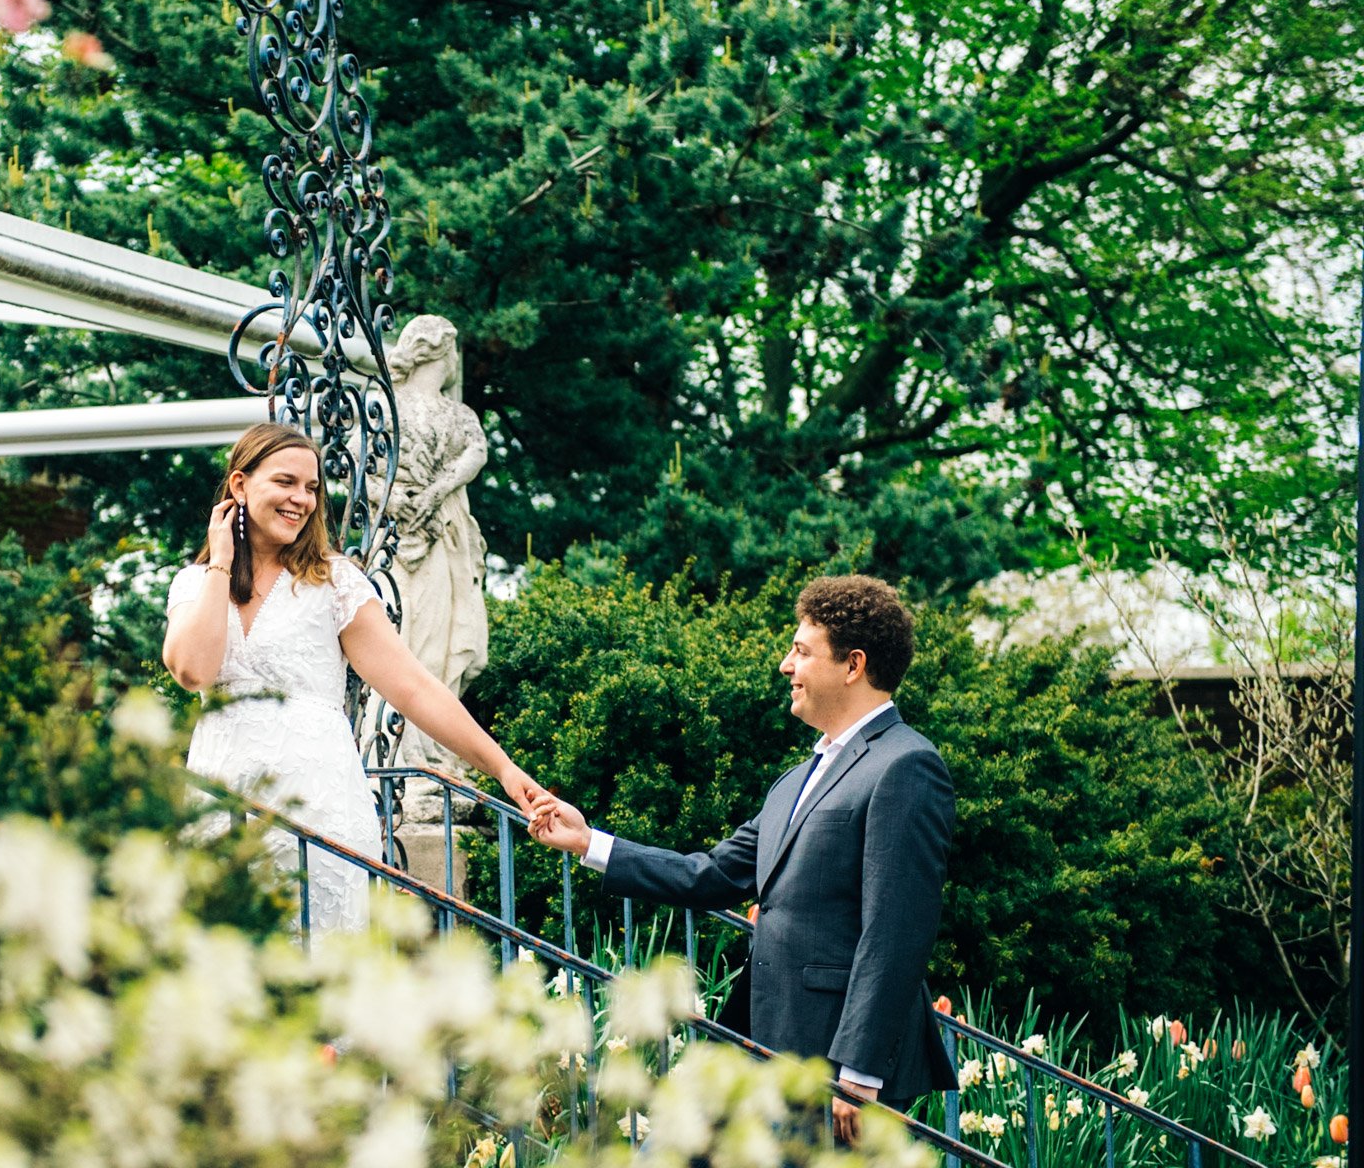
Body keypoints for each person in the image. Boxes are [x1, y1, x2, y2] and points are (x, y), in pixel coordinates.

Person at [528, 575, 958, 1140]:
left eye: (802, 652)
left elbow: (896, 930)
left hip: (830, 1067)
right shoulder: (792, 783)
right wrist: (590, 843)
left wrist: (859, 1070)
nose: (786, 665)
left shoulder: (906, 765)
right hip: (752, 1046)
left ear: (853, 665)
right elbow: (710, 874)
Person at [163, 422, 544, 931]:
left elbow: (414, 688)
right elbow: (192, 671)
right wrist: (221, 565)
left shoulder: (333, 580)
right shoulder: (194, 584)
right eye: (285, 482)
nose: (301, 499)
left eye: (312, 488)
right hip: (223, 804)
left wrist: (504, 770)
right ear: (239, 486)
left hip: (318, 808)